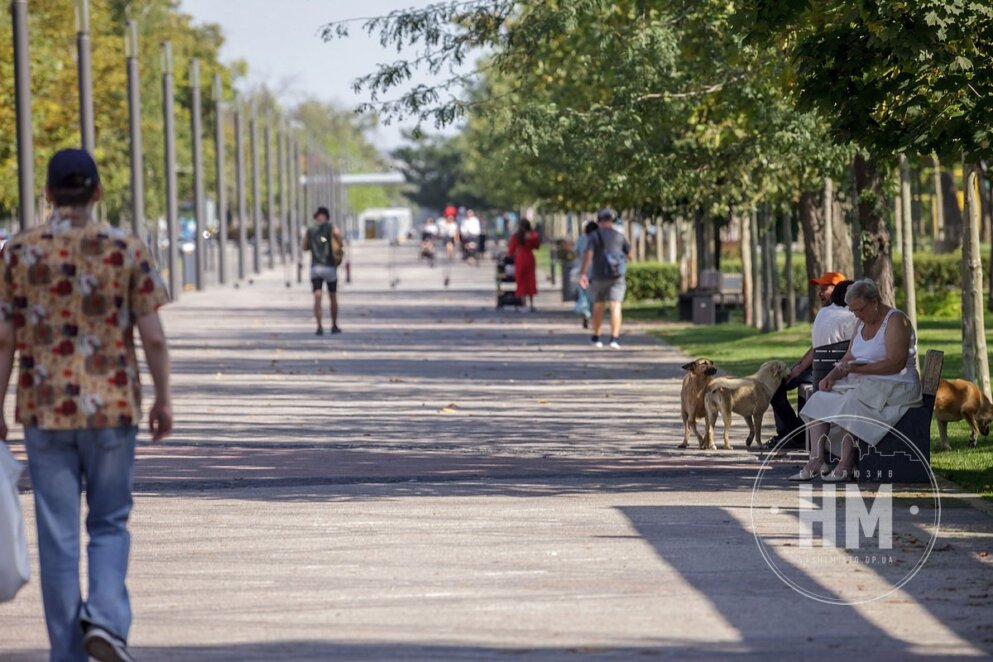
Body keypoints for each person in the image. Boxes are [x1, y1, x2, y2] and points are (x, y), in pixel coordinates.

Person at [0, 148, 172, 662]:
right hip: (112, 410)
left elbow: (5, 337)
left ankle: (67, 654)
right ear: (98, 192)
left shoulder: (19, 252)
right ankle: (105, 617)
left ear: (49, 194)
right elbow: (154, 336)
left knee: (57, 536)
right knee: (109, 521)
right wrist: (164, 399)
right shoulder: (126, 249)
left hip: (45, 411)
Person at [790, 278, 922, 482]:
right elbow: (850, 356)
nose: (856, 315)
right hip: (866, 382)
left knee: (850, 402)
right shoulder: (861, 322)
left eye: (860, 309)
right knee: (819, 398)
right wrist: (831, 376)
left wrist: (861, 370)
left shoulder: (896, 320)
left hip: (897, 384)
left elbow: (897, 363)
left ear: (875, 302)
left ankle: (846, 464)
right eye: (853, 311)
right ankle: (817, 460)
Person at [766, 273, 856, 449]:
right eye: (819, 289)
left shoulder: (838, 315)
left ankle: (793, 434)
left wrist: (799, 370)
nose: (820, 293)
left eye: (824, 289)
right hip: (826, 370)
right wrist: (798, 369)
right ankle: (792, 433)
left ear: (838, 290)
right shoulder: (829, 314)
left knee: (779, 386)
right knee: (777, 384)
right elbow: (817, 348)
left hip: (829, 373)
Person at [578, 208, 630, 349]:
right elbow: (627, 254)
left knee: (598, 305)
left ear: (599, 220)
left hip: (598, 275)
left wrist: (583, 273)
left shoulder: (594, 236)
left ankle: (597, 337)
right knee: (615, 306)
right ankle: (614, 338)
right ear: (612, 221)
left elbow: (588, 255)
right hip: (617, 276)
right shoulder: (620, 236)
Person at [302, 206, 343, 335]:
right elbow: (338, 237)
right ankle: (334, 325)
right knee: (332, 296)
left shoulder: (310, 230)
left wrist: (317, 241)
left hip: (316, 268)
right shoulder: (331, 227)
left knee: (317, 297)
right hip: (329, 267)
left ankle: (319, 326)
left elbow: (304, 246)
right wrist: (330, 241)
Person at [507, 218, 540, 311]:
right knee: (530, 280)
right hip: (530, 258)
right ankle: (531, 303)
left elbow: (510, 251)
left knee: (521, 280)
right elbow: (537, 246)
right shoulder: (532, 235)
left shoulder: (516, 236)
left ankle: (523, 303)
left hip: (520, 259)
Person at [572, 221, 599, 328]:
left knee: (583, 293)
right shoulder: (599, 240)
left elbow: (576, 252)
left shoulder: (581, 239)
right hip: (596, 271)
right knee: (594, 295)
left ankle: (585, 314)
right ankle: (592, 315)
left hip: (583, 270)